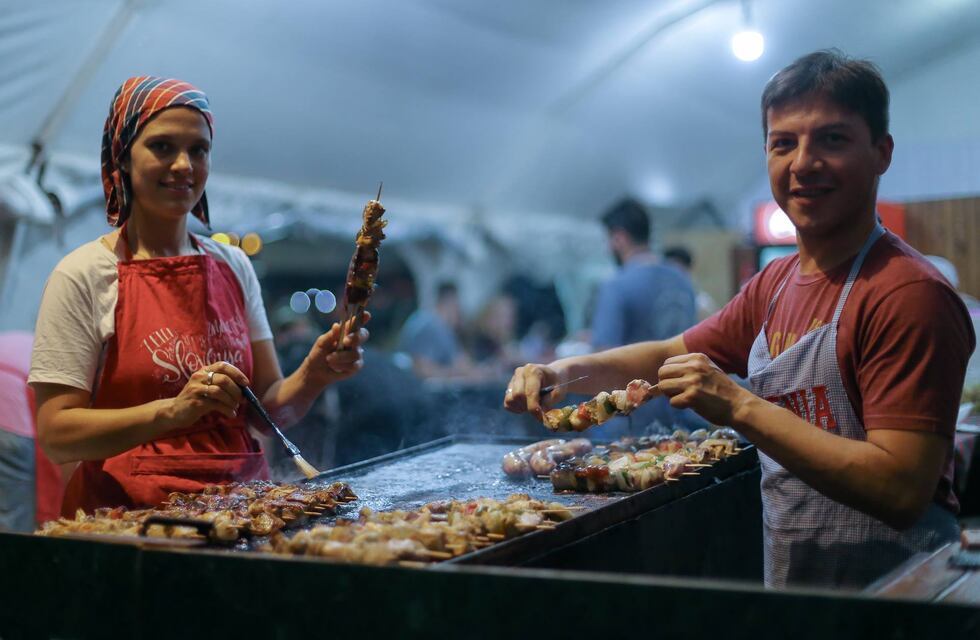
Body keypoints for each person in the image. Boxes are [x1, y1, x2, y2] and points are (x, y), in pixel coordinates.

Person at [504, 50, 975, 590]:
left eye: (832, 139)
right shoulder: (775, 285)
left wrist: (738, 406)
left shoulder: (907, 293)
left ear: (881, 153)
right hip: (801, 587)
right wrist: (564, 374)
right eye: (783, 143)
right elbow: (666, 355)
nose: (803, 163)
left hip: (898, 594)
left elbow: (900, 489)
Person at [29, 77, 369, 516]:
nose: (183, 165)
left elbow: (265, 412)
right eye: (162, 147)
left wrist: (313, 375)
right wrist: (172, 412)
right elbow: (57, 434)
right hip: (130, 520)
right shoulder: (84, 274)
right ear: (123, 156)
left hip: (242, 515)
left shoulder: (233, 266)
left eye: (198, 150)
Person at [591, 198, 702, 434]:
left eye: (609, 240)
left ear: (619, 237)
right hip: (682, 411)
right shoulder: (682, 281)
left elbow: (604, 360)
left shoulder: (617, 286)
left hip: (633, 422)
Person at [397, 281, 471, 378]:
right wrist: (455, 373)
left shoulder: (423, 319)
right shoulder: (433, 327)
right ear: (451, 302)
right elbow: (422, 369)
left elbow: (463, 363)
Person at [663, 245, 719, 321]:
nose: (672, 276)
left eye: (677, 270)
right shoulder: (662, 302)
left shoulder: (702, 303)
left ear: (687, 270)